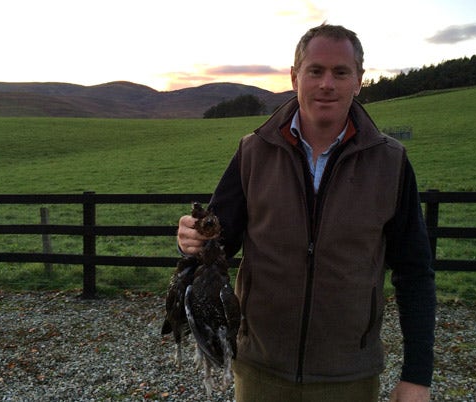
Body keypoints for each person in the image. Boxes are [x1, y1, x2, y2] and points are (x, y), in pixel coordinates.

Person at [177, 23, 436, 402]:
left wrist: (417, 376)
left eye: (340, 72)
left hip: (348, 375)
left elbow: (415, 272)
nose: (327, 84)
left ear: (359, 80)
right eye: (315, 71)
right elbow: (218, 241)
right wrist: (192, 240)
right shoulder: (253, 152)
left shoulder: (391, 162)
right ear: (295, 76)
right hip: (260, 369)